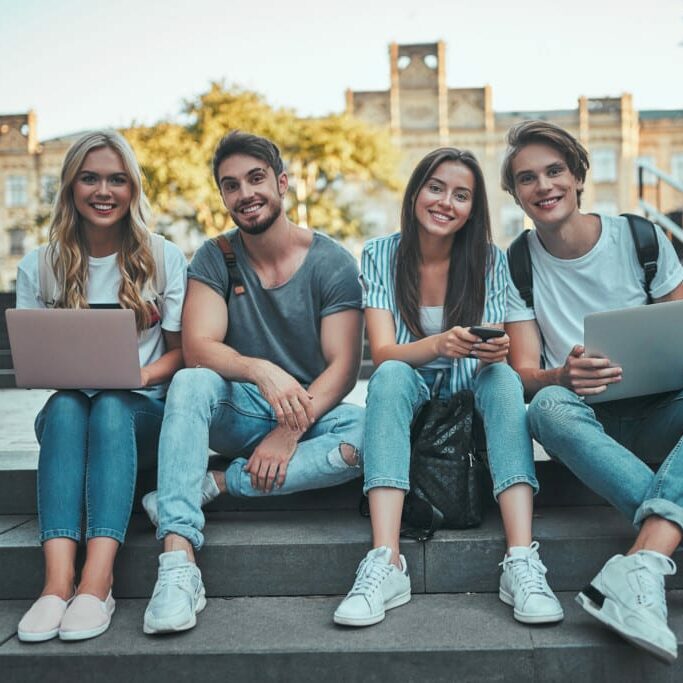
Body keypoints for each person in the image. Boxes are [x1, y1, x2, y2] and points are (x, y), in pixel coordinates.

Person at [142, 131, 365, 635]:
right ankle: (178, 560)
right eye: (231, 185)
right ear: (223, 197)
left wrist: (288, 432)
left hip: (311, 412)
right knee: (192, 382)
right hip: (240, 407)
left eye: (256, 178)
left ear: (282, 183)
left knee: (374, 435)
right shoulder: (214, 256)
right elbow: (198, 347)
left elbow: (344, 368)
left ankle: (215, 483)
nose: (245, 193)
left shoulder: (331, 262)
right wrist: (261, 370)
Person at [333, 147, 563, 628]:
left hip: (471, 393)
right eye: (436, 187)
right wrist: (439, 344)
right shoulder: (379, 253)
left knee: (501, 377)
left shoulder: (489, 261)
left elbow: (491, 349)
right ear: (416, 191)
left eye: (461, 195)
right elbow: (383, 352)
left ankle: (521, 558)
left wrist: (491, 352)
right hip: (406, 391)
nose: (445, 202)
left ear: (472, 210)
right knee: (393, 374)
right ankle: (386, 560)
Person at [502, 120, 683, 662]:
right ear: (516, 195)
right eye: (527, 178)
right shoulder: (515, 264)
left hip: (662, 413)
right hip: (587, 422)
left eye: (555, 171)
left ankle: (644, 559)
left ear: (578, 176)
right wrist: (561, 376)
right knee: (546, 409)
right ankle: (661, 537)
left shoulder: (642, 239)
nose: (544, 186)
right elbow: (523, 374)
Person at [14, 131, 187, 642]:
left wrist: (140, 375)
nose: (103, 191)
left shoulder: (162, 257)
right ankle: (55, 583)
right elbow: (35, 361)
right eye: (90, 178)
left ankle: (97, 579)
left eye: (117, 179)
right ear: (70, 187)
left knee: (112, 403)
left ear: (133, 189)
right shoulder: (39, 266)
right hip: (72, 418)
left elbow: (183, 354)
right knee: (67, 406)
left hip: (140, 417)